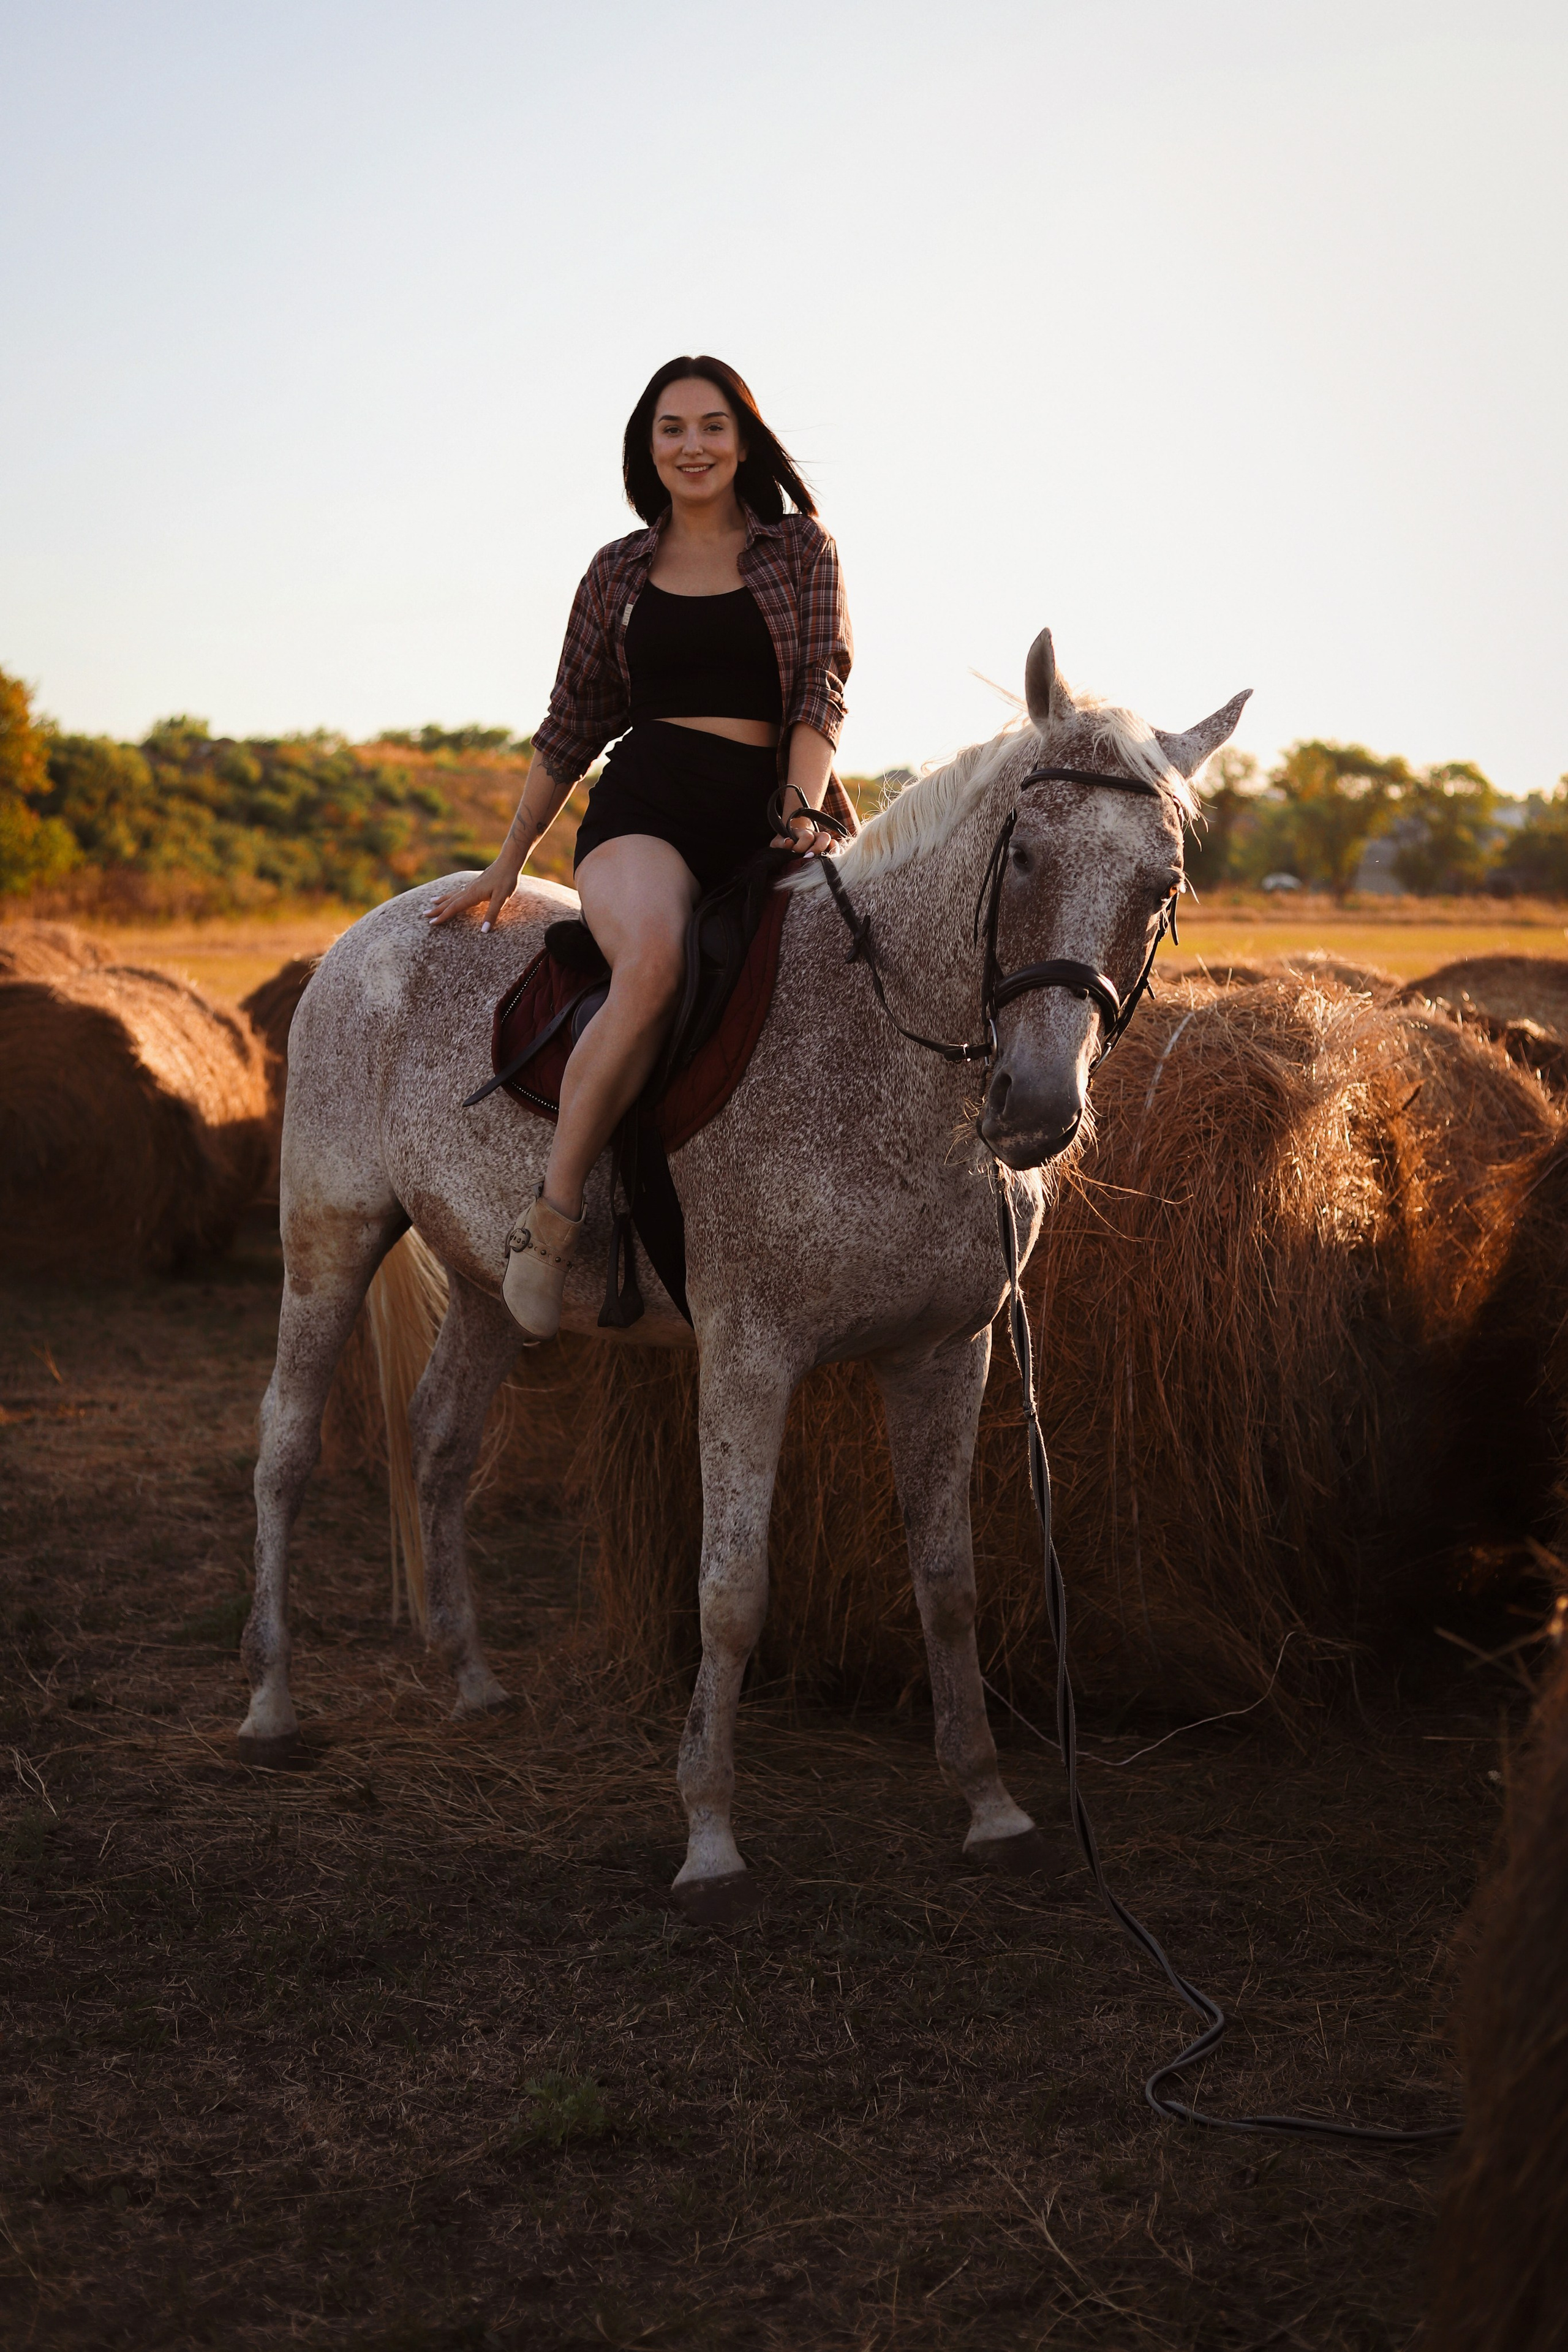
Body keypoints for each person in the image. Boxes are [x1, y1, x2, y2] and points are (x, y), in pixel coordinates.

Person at [428, 355, 853, 1338]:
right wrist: (507, 861)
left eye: (712, 426)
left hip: (773, 809)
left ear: (743, 441)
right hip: (646, 813)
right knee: (654, 962)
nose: (692, 445)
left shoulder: (801, 550)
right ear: (647, 447)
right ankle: (552, 1218)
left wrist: (801, 811)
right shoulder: (617, 570)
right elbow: (571, 723)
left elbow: (818, 688)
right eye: (672, 429)